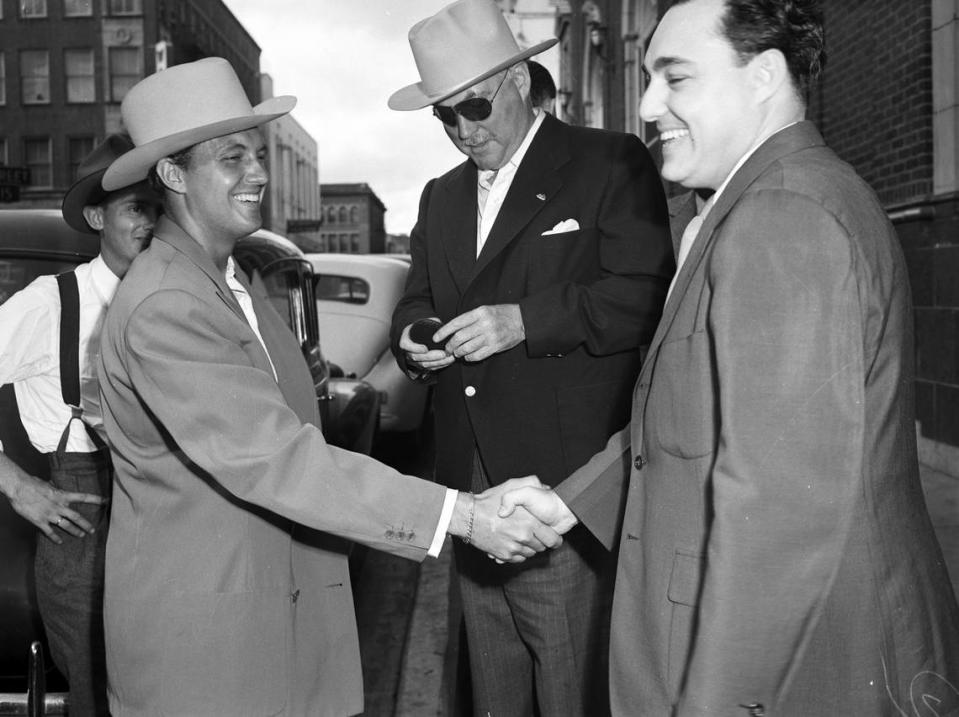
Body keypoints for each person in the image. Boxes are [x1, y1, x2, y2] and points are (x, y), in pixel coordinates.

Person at [502, 0, 959, 714]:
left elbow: (778, 517)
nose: (649, 105)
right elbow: (696, 422)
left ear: (762, 77)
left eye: (675, 78)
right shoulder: (762, 200)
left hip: (801, 666)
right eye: (649, 77)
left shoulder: (783, 215)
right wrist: (566, 503)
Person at [94, 56, 558, 717]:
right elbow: (278, 455)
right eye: (232, 158)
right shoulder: (166, 303)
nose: (257, 172)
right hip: (210, 657)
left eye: (255, 154)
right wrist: (465, 515)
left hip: (267, 626)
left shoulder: (228, 281)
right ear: (172, 174)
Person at [387, 1, 673, 714]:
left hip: (564, 481)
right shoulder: (439, 196)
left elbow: (643, 298)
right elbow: (415, 297)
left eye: (474, 107)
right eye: (444, 117)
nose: (462, 131)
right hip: (471, 482)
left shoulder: (607, 162)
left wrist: (524, 321)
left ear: (517, 78)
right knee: (493, 685)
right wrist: (414, 340)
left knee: (571, 681)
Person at [0, 134, 160, 716]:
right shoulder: (51, 303)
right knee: (103, 698)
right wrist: (20, 489)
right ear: (97, 215)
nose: (152, 223)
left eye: (161, 208)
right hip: (84, 534)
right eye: (137, 209)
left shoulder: (179, 297)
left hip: (171, 526)